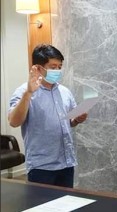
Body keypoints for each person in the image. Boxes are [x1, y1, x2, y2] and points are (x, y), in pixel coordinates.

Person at [8, 44, 87, 188]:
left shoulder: (64, 91)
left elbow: (68, 121)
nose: (57, 70)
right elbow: (13, 122)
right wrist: (28, 93)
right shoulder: (23, 91)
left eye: (60, 66)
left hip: (66, 162)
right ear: (38, 68)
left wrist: (76, 119)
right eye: (53, 66)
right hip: (42, 166)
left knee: (66, 206)